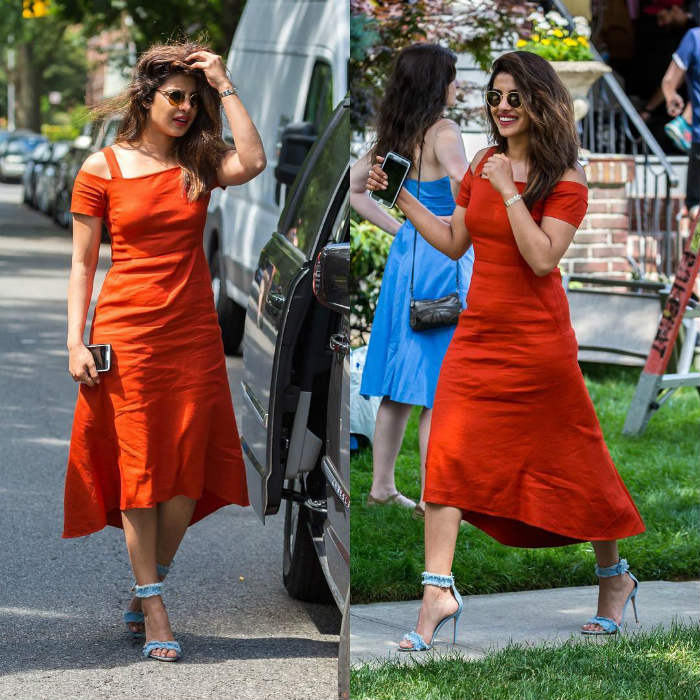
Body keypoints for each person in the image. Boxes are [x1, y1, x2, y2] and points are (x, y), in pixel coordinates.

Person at [367, 50, 645, 651]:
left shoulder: (565, 179)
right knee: (447, 453)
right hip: (477, 337)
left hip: (539, 344)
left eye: (514, 97)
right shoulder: (485, 161)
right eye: (494, 97)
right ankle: (436, 592)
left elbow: (543, 256)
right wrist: (401, 198)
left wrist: (510, 192)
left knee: (579, 463)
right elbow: (453, 240)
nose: (501, 108)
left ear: (540, 102)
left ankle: (613, 577)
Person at [63, 41, 266, 661]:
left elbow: (254, 161)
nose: (184, 107)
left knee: (185, 479)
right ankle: (154, 608)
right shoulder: (103, 168)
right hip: (128, 336)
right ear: (145, 96)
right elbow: (82, 263)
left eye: (193, 98)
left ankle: (147, 580)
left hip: (194, 337)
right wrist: (75, 340)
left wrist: (223, 84)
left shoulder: (199, 163)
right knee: (142, 472)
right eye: (174, 95)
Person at [350, 43, 474, 518]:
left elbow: (356, 191)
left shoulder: (393, 134)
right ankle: (430, 496)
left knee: (402, 383)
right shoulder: (444, 131)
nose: (457, 84)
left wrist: (402, 230)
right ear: (436, 83)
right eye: (452, 75)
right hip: (443, 253)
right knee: (437, 388)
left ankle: (381, 487)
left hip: (407, 260)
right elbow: (467, 186)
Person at [662, 25, 700, 215]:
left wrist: (672, 99)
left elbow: (669, 81)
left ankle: (697, 242)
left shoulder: (695, 37)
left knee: (696, 204)